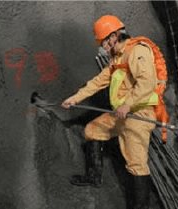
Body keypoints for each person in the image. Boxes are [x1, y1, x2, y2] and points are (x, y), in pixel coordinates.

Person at [61, 15, 167, 208]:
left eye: (103, 41)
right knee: (92, 130)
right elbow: (99, 81)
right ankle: (94, 177)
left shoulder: (137, 51)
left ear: (114, 36)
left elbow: (147, 82)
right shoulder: (117, 58)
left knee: (136, 164)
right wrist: (75, 98)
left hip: (139, 115)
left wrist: (127, 105)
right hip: (121, 114)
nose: (102, 46)